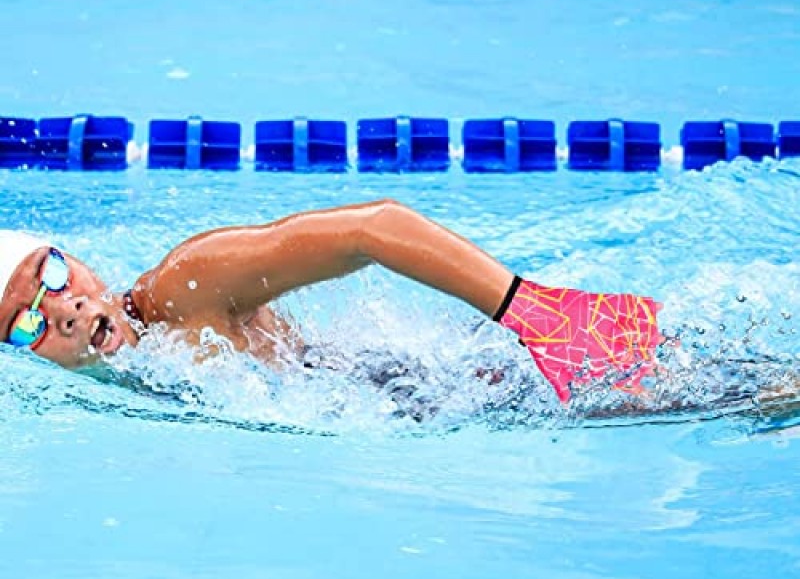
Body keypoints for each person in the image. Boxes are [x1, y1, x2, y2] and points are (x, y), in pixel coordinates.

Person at [0, 199, 662, 403]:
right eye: (27, 321)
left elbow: (373, 228)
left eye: (52, 273)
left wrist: (533, 313)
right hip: (414, 399)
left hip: (437, 389)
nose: (66, 309)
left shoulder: (185, 286)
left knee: (713, 396)